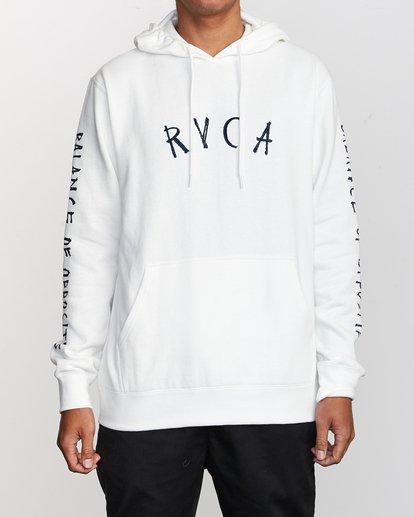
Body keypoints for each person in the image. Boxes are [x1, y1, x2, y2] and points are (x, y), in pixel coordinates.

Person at [50, 1, 366, 515]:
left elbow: (334, 235)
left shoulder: (304, 79)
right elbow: (88, 241)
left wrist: (338, 378)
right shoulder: (118, 84)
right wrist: (74, 384)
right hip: (148, 394)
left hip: (275, 392)